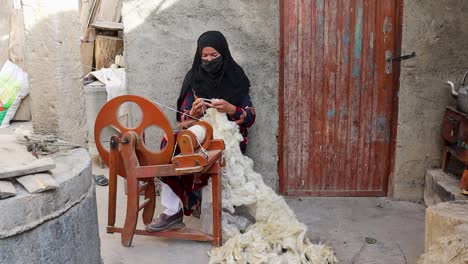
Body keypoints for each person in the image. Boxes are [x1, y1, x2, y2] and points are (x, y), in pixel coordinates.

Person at [146, 31, 256, 232]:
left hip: (230, 137)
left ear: (223, 53)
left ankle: (205, 207)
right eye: (204, 56)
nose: (208, 60)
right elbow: (183, 118)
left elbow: (250, 117)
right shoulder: (194, 77)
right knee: (169, 144)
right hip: (199, 131)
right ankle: (172, 211)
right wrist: (193, 113)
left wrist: (232, 109)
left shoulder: (236, 77)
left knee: (211, 152)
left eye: (214, 56)